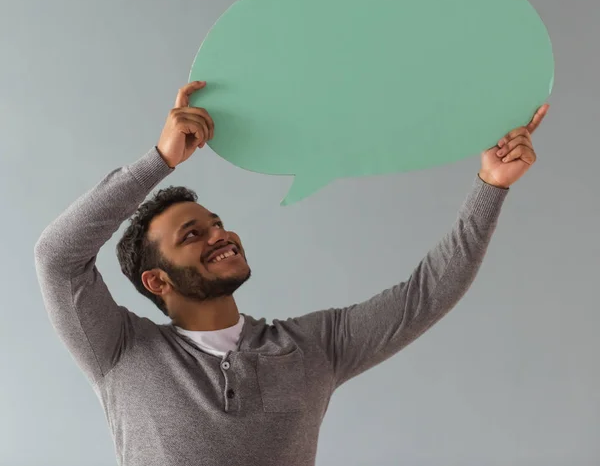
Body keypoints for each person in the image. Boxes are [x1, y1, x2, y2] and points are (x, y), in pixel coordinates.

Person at [34, 81, 548, 466]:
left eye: (217, 225)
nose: (220, 235)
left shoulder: (312, 347)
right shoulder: (121, 352)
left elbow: (426, 294)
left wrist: (490, 186)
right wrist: (160, 161)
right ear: (157, 281)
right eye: (192, 235)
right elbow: (57, 257)